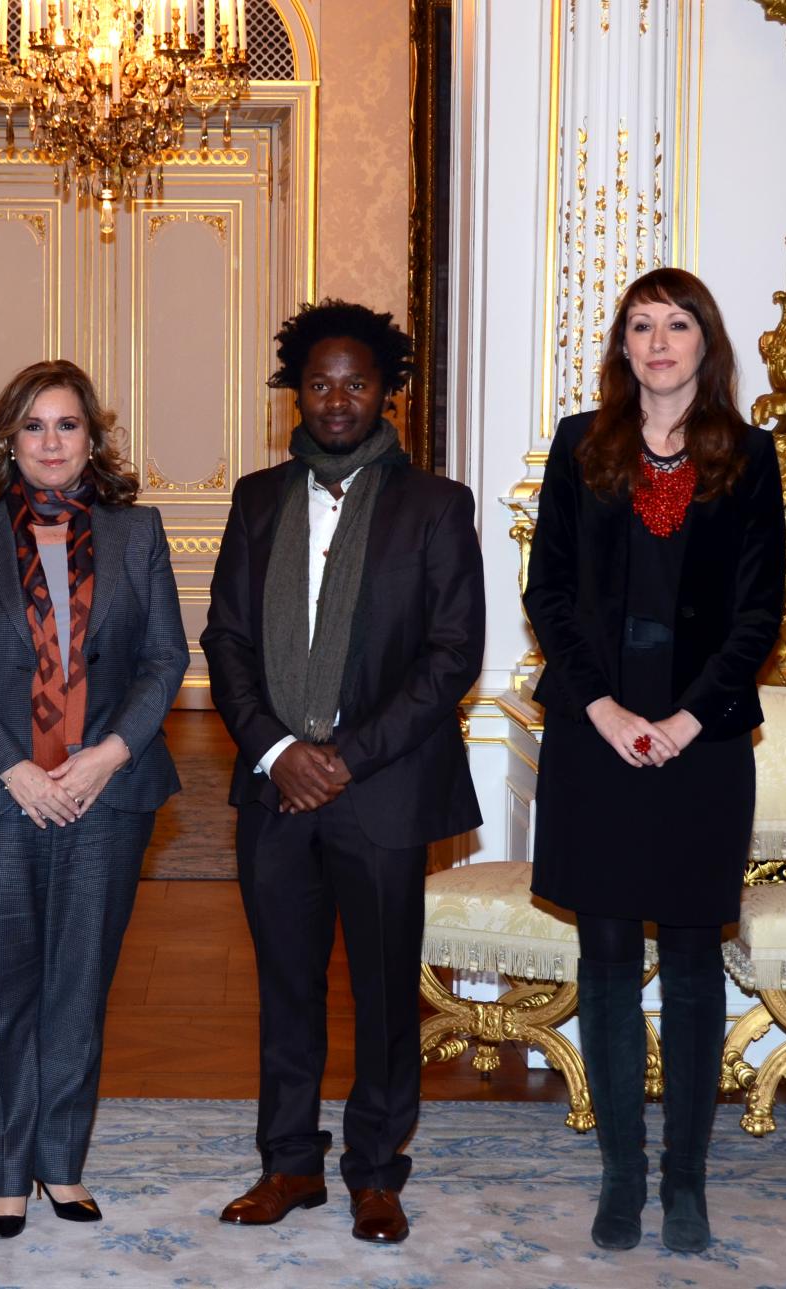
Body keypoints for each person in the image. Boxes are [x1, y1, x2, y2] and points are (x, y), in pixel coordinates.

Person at [203, 301, 486, 1245]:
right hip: (276, 787)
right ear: (297, 389)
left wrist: (345, 757)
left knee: (381, 990)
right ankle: (289, 1163)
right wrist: (280, 751)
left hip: (385, 789)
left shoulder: (437, 506)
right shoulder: (255, 498)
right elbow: (228, 641)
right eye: (319, 382)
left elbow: (452, 656)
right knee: (285, 983)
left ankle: (375, 1171)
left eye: (355, 382)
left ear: (386, 390)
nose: (336, 399)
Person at [523, 266, 786, 1254]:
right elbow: (548, 588)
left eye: (677, 325)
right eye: (642, 325)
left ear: (704, 343)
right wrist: (596, 705)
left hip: (702, 741)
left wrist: (681, 720)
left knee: (686, 957)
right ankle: (620, 1174)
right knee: (601, 955)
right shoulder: (578, 446)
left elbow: (761, 607)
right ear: (623, 345)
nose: (659, 342)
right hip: (594, 737)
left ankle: (684, 1181)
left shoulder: (748, 456)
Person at [0, 359, 187, 1239]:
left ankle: (61, 1161)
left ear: (92, 439)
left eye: (67, 425)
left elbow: (164, 659)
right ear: (9, 439)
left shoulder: (137, 533)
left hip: (106, 795)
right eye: (33, 426)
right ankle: (3, 1167)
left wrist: (106, 756)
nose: (51, 443)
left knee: (78, 985)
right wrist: (15, 769)